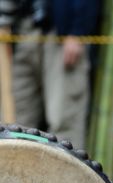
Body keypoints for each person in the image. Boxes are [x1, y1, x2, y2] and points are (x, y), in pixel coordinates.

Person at [0, 0, 100, 148]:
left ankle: (66, 170)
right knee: (14, 124)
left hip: (60, 29)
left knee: (63, 118)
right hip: (19, 29)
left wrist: (77, 30)